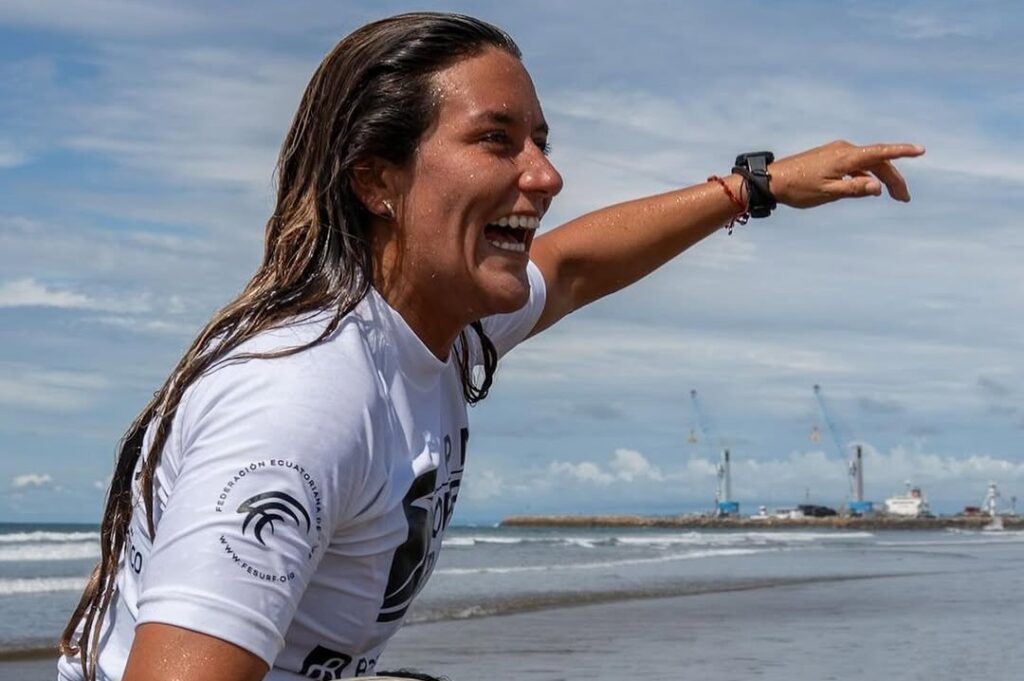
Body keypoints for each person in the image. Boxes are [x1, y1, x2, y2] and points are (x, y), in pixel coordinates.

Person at [57, 11, 924, 681]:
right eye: (495, 139)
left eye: (541, 142)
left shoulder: (435, 325)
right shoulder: (303, 399)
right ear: (376, 179)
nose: (544, 174)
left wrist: (755, 186)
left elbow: (579, 264)